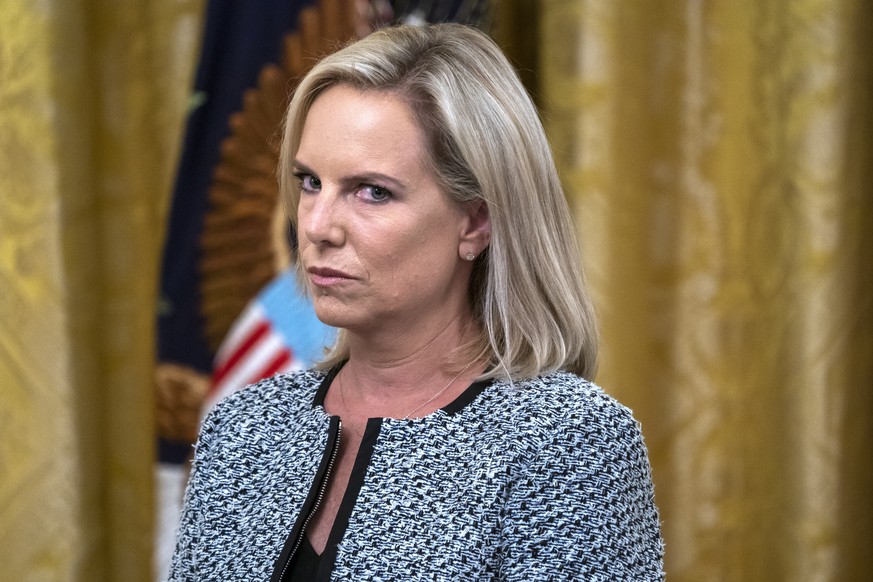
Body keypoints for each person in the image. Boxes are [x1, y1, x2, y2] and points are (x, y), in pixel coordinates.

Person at [169, 23, 664, 581]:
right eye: (310, 182)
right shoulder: (242, 430)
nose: (317, 225)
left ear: (477, 221)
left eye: (372, 191)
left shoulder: (569, 441)